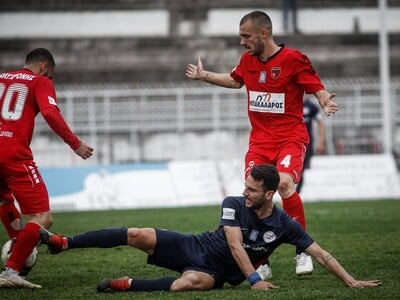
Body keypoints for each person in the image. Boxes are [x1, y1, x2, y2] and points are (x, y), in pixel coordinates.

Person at [39, 164, 381, 293]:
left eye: (252, 189)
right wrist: (255, 281)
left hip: (217, 274)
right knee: (136, 234)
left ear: (270, 194)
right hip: (195, 246)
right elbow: (234, 246)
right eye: (245, 185)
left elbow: (320, 254)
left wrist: (351, 281)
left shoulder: (285, 225)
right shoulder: (233, 203)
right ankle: (64, 242)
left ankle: (124, 285)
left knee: (187, 284)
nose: (245, 192)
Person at [185, 10, 338, 276]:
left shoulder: (293, 59)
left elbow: (316, 86)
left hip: (290, 137)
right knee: (253, 195)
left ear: (263, 34)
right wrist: (205, 76)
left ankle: (302, 252)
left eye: (246, 36)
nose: (242, 42)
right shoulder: (248, 60)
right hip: (259, 141)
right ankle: (260, 259)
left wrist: (324, 99)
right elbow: (235, 80)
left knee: (285, 183)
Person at [0, 48, 94, 289]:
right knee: (42, 217)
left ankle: (19, 241)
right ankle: (11, 270)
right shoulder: (40, 81)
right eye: (51, 75)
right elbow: (51, 113)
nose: (50, 80)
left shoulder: (1, 78)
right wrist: (76, 143)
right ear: (43, 66)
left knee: (4, 200)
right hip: (13, 154)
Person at [296, 97, 326, 193]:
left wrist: (321, 142)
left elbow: (320, 123)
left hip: (306, 144)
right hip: (292, 142)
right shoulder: (291, 103)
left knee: (301, 171)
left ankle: (295, 196)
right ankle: (291, 196)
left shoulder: (311, 106)